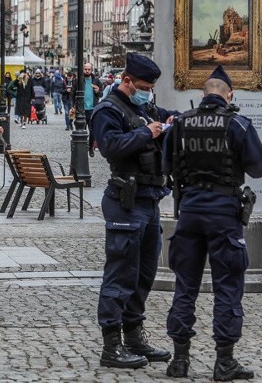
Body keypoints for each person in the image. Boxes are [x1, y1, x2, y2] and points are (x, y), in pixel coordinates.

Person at [162, 66, 262, 381]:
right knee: (227, 287)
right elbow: (259, 166)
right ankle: (224, 362)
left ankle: (179, 360)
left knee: (185, 286)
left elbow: (165, 164)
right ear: (229, 95)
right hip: (224, 215)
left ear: (203, 94)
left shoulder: (180, 124)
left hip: (190, 213)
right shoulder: (237, 124)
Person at [90, 52, 175, 370]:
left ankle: (134, 336)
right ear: (126, 81)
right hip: (125, 201)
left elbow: (166, 115)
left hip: (149, 200)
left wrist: (173, 122)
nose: (147, 92)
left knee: (144, 274)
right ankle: (111, 346)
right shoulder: (107, 110)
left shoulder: (145, 106)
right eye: (142, 86)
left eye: (150, 87)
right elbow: (110, 146)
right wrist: (148, 133)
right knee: (120, 274)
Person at [81, 63, 104, 156]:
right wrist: (73, 105)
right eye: (85, 69)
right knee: (81, 130)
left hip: (92, 109)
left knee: (92, 130)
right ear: (83, 69)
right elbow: (73, 93)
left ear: (91, 70)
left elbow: (101, 94)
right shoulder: (79, 80)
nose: (87, 71)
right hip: (81, 109)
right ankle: (82, 149)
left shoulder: (96, 81)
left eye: (89, 69)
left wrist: (98, 91)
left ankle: (90, 148)